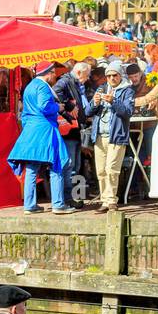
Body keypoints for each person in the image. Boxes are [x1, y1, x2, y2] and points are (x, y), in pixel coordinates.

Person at [7, 60, 73, 215]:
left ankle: (29, 205)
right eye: (53, 73)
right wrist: (59, 107)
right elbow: (45, 106)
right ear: (48, 73)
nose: (55, 76)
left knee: (31, 168)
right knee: (57, 164)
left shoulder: (29, 86)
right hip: (45, 130)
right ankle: (58, 204)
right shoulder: (43, 87)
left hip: (31, 130)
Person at [88, 61, 135, 212]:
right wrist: (94, 103)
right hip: (100, 135)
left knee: (112, 169)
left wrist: (113, 101)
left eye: (114, 75)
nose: (111, 78)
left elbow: (127, 112)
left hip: (117, 135)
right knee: (101, 170)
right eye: (108, 76)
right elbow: (87, 112)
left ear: (120, 75)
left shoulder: (127, 91)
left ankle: (111, 200)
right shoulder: (101, 88)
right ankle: (104, 200)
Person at [52, 61, 91, 206]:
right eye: (86, 75)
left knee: (75, 165)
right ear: (79, 72)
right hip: (68, 130)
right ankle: (67, 198)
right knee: (69, 165)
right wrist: (68, 106)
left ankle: (72, 197)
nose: (87, 79)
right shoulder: (66, 80)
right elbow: (56, 92)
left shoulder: (74, 82)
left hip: (74, 129)